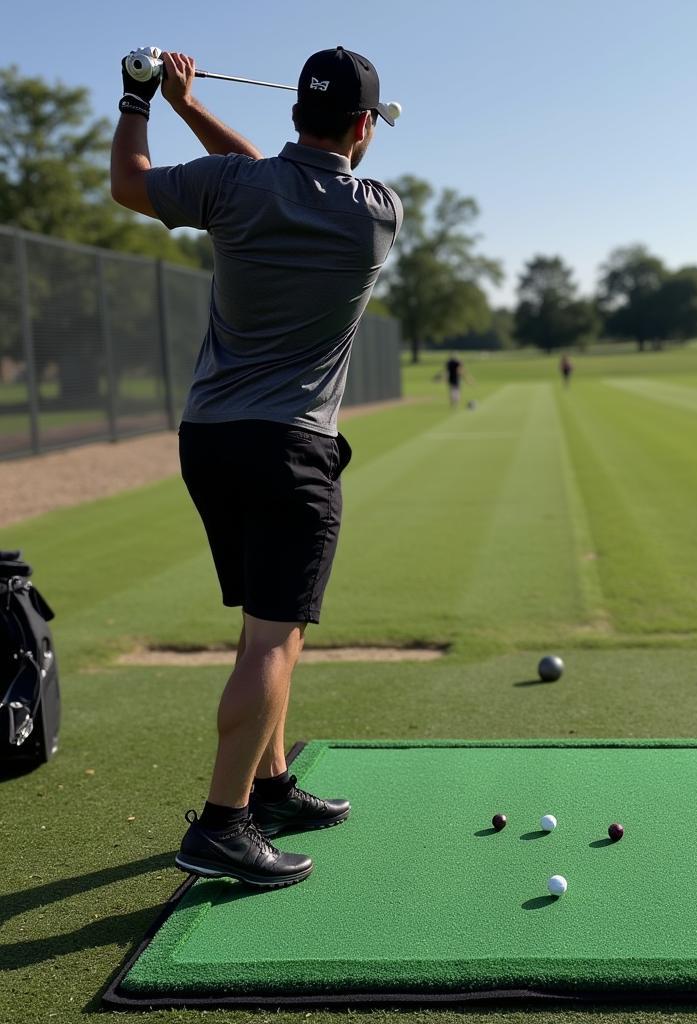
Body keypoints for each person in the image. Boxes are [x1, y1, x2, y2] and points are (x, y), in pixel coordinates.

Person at [110, 46, 402, 889]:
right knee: (272, 642)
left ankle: (269, 786)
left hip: (210, 438)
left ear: (295, 116)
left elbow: (132, 183)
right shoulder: (377, 211)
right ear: (360, 128)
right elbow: (291, 177)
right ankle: (222, 824)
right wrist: (188, 107)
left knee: (265, 627)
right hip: (292, 448)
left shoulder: (230, 192)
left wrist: (145, 101)